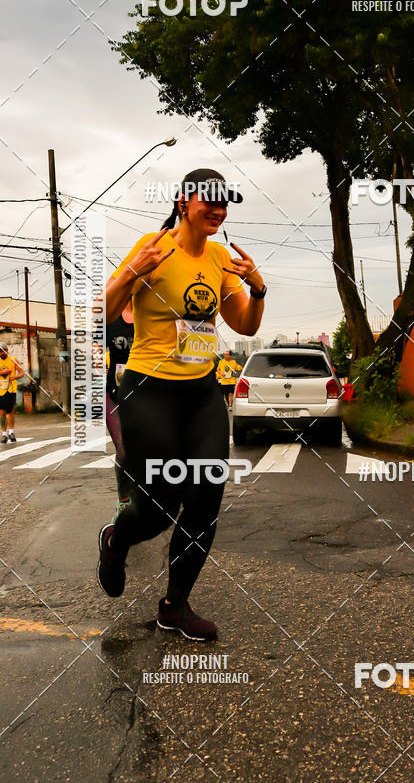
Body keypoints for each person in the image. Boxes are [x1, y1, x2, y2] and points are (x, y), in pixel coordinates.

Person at [97, 168, 266, 641]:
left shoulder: (217, 258)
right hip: (149, 391)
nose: (218, 210)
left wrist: (257, 288)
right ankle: (116, 539)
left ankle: (174, 606)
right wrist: (133, 271)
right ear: (183, 200)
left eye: (225, 203)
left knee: (207, 496)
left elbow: (246, 326)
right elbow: (106, 311)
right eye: (209, 200)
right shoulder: (154, 247)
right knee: (158, 507)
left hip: (202, 393)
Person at [105, 304, 134, 521]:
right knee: (123, 450)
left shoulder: (151, 317)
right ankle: (124, 500)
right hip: (113, 394)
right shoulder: (110, 319)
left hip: (145, 394)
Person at [0, 343, 24, 443]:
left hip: (11, 389)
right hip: (0, 390)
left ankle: (11, 432)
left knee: (10, 412)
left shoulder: (13, 359)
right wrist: (3, 372)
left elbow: (22, 373)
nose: (1, 353)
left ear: (6, 350)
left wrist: (15, 377)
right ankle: (4, 435)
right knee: (2, 413)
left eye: (2, 351)